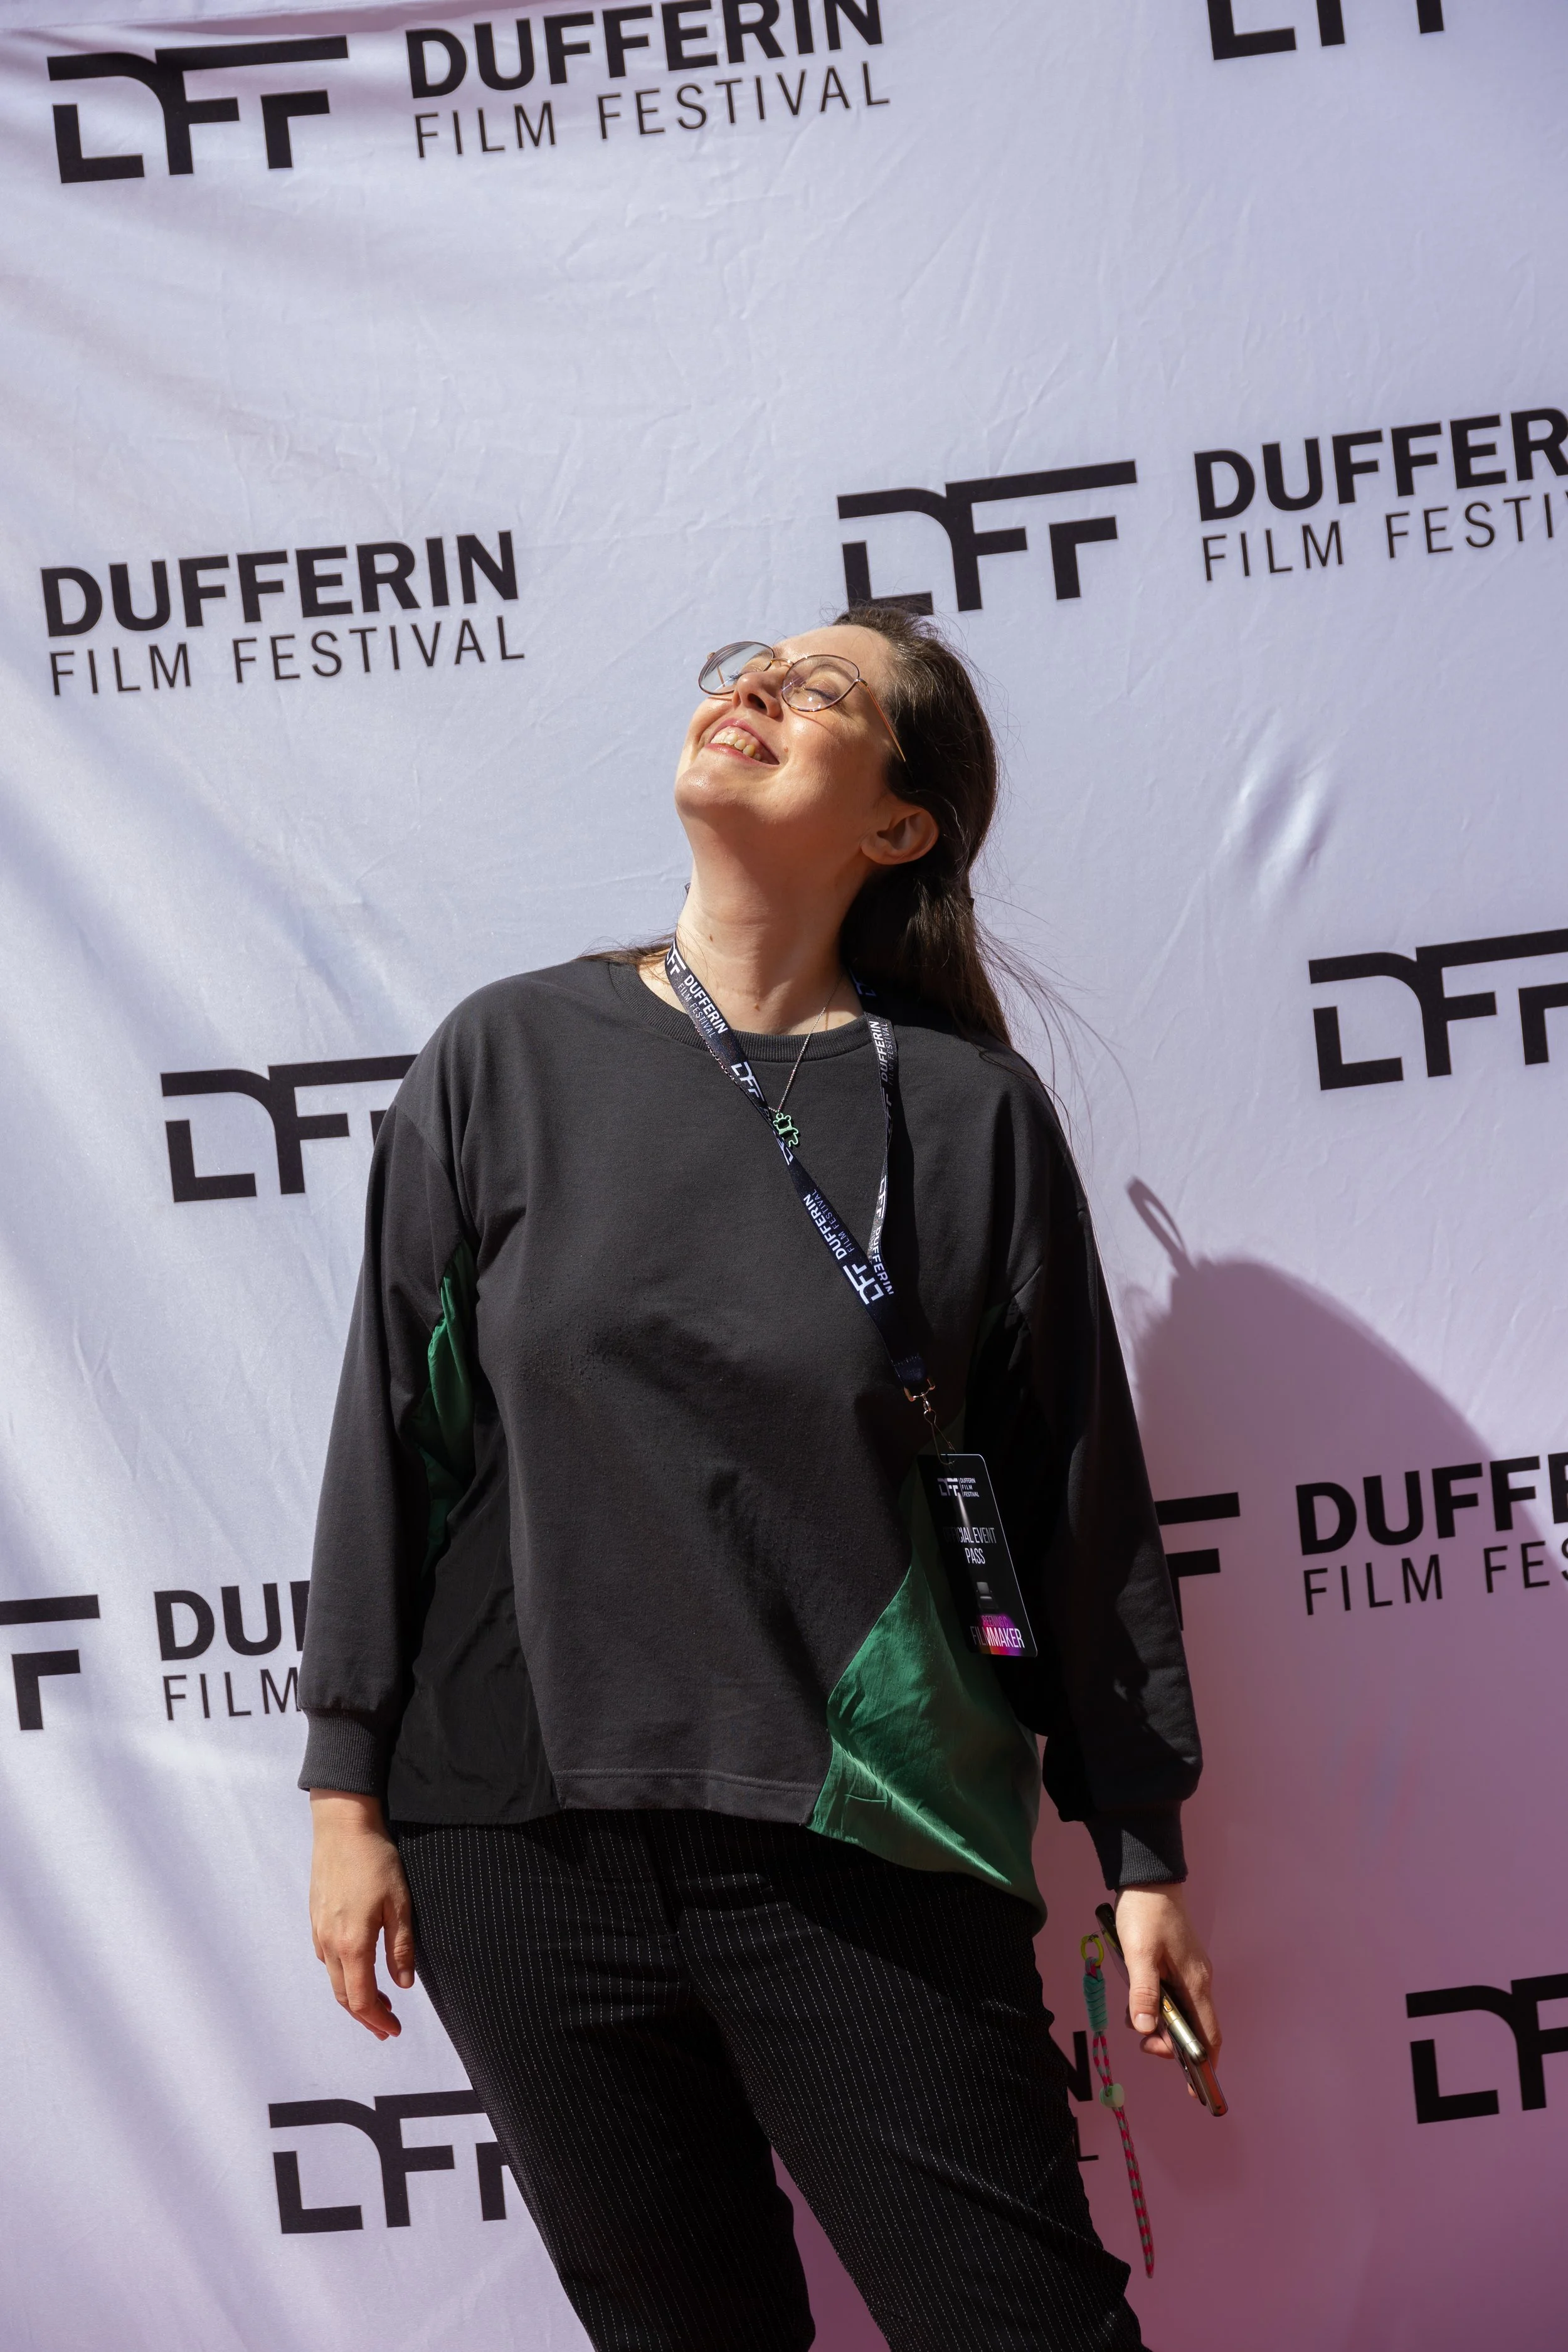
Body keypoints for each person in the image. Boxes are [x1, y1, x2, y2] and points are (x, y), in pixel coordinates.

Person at [300, 607, 1217, 2352]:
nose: (751, 691)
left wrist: (1144, 1845)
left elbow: (1070, 1502)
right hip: (517, 1842)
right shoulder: (504, 1056)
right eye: (744, 662)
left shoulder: (967, 1117)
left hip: (862, 1838)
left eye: (820, 692)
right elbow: (392, 1442)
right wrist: (348, 1793)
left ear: (898, 823)